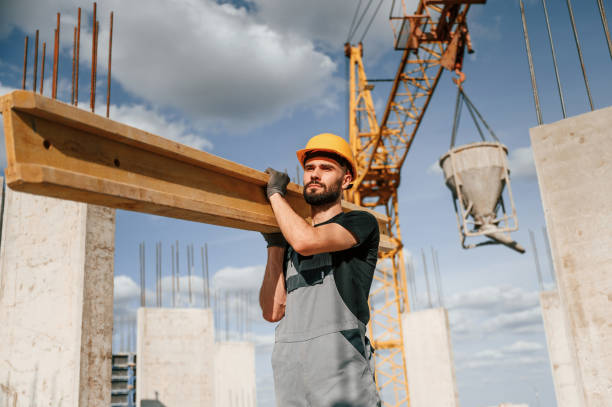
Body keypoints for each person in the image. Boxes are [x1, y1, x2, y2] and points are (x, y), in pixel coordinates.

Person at [259, 133, 382, 407]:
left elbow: (307, 242)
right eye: (309, 168)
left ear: (346, 179)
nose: (315, 175)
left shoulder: (360, 223)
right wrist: (275, 245)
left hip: (341, 377)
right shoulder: (293, 243)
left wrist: (275, 196)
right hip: (291, 379)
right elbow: (272, 311)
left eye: (326, 168)